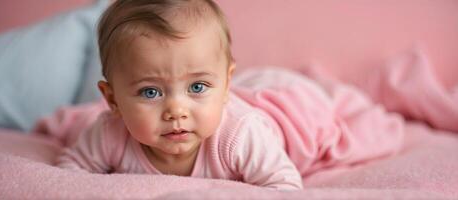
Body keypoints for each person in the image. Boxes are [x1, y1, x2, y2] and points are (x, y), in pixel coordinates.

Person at [57, 0, 403, 190]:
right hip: (239, 92)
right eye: (151, 92)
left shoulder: (240, 137)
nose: (176, 110)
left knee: (326, 115)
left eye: (197, 87)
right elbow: (68, 176)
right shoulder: (109, 134)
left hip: (287, 113)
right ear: (112, 100)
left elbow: (284, 184)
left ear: (225, 85)